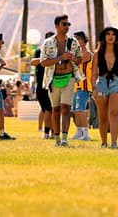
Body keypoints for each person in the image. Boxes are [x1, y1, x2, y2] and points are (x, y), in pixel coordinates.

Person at [40, 15, 85, 147]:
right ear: (57, 26)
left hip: (69, 77)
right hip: (53, 79)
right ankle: (57, 138)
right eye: (64, 24)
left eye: (68, 24)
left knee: (66, 108)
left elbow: (79, 59)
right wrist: (61, 57)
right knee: (55, 109)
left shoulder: (73, 42)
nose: (67, 26)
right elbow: (43, 62)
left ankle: (64, 138)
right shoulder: (48, 43)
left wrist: (72, 58)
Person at [91, 26, 118, 148]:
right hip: (101, 84)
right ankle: (104, 142)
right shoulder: (97, 54)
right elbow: (93, 73)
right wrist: (94, 89)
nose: (111, 36)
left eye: (113, 34)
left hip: (117, 84)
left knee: (113, 113)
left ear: (116, 37)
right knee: (102, 117)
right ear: (104, 37)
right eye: (108, 34)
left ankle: (114, 143)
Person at [70, 31, 93, 141]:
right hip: (75, 86)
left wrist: (68, 57)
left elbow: (78, 62)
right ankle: (79, 132)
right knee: (75, 111)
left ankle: (86, 133)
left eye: (77, 39)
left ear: (84, 40)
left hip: (84, 85)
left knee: (81, 110)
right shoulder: (76, 53)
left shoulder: (87, 53)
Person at [31, 33, 55, 139]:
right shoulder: (39, 51)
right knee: (47, 109)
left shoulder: (57, 51)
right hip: (42, 85)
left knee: (52, 110)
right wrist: (46, 60)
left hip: (54, 84)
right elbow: (32, 62)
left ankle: (53, 132)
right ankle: (46, 132)